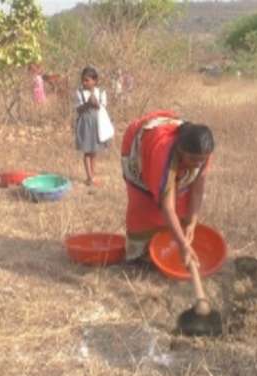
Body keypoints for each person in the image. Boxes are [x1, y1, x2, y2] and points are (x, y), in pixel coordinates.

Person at [121, 110, 214, 265]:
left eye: (201, 160)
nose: (198, 164)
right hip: (140, 149)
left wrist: (192, 222)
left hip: (171, 147)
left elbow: (197, 191)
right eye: (193, 159)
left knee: (181, 201)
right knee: (145, 204)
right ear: (181, 151)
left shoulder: (203, 151)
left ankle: (171, 239)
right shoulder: (163, 154)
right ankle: (140, 255)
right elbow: (168, 208)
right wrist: (184, 245)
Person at [74, 66, 110, 186]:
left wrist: (96, 103)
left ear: (95, 81)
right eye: (83, 80)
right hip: (86, 124)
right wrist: (88, 104)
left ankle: (92, 176)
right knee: (87, 151)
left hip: (97, 124)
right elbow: (78, 109)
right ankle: (89, 177)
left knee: (94, 151)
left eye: (87, 80)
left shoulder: (101, 92)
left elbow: (102, 107)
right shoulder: (80, 93)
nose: (84, 83)